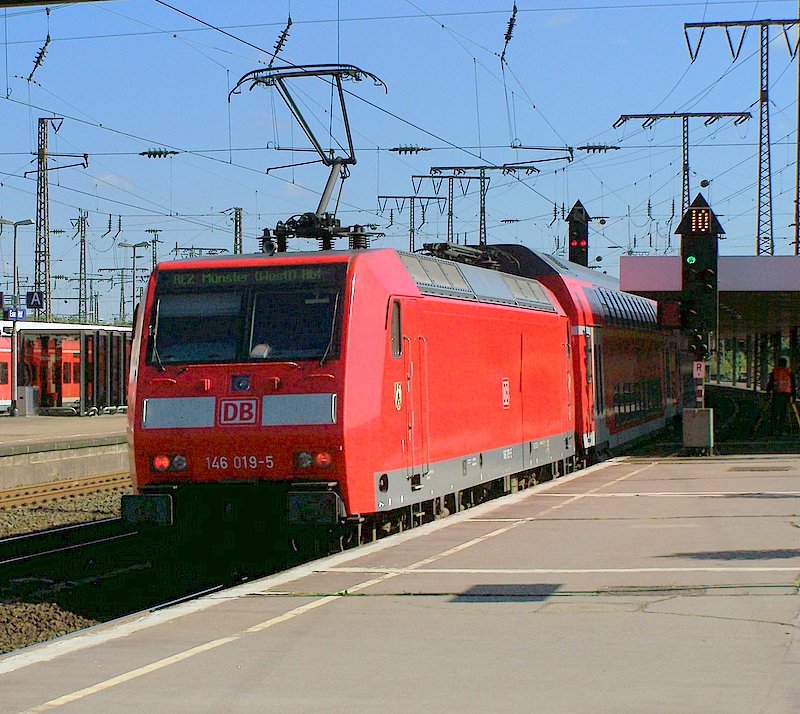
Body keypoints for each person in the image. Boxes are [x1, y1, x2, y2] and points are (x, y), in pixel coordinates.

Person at [766, 357, 796, 437]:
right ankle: (781, 431)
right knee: (783, 413)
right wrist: (794, 396)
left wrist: (768, 393)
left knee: (774, 413)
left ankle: (772, 431)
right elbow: (793, 385)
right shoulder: (789, 372)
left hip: (776, 394)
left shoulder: (775, 372)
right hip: (786, 395)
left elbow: (770, 383)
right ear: (786, 363)